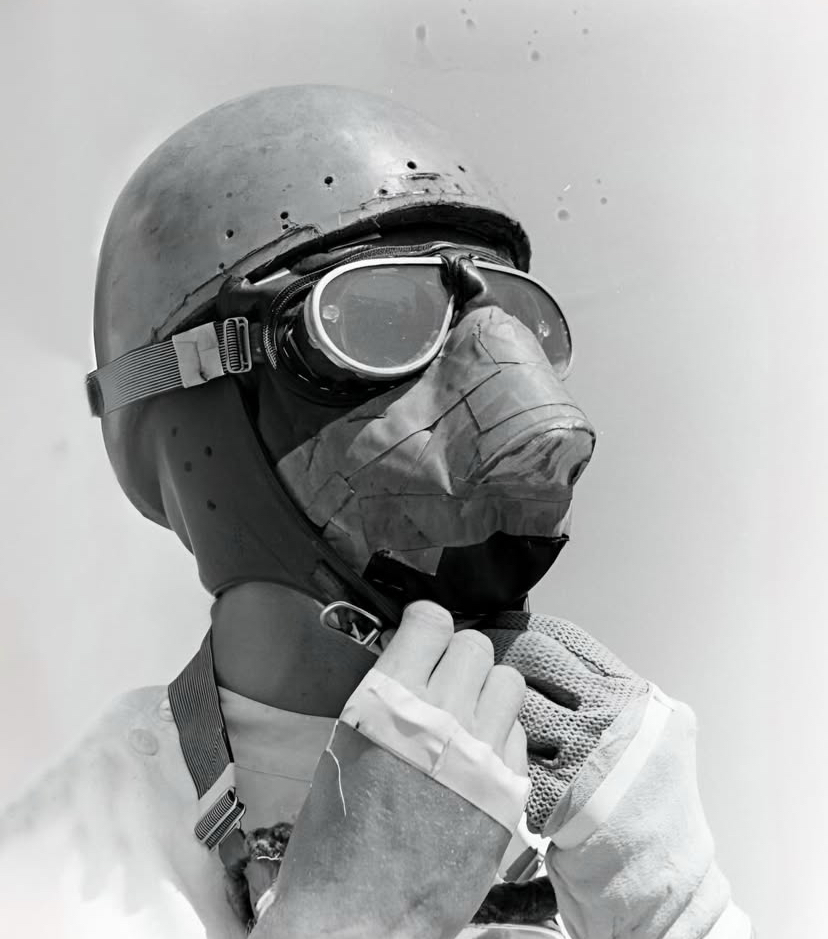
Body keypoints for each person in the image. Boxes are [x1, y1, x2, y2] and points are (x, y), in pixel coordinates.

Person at [0, 85, 752, 938]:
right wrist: (347, 920)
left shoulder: (596, 817)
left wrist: (680, 913)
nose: (529, 411)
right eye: (378, 317)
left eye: (517, 325)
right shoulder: (57, 876)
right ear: (191, 409)